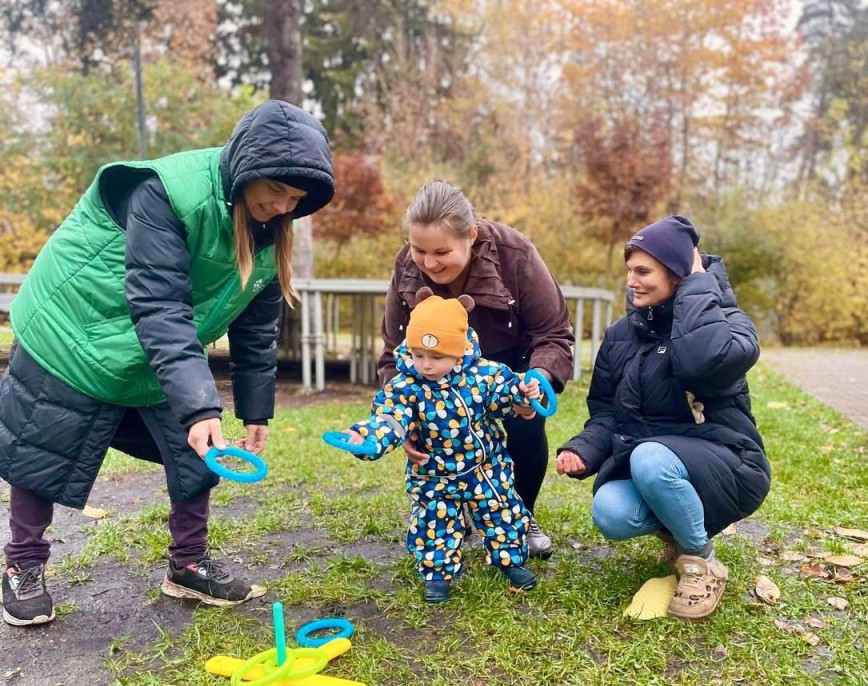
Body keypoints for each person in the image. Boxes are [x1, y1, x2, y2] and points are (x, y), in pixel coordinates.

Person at [0, 100, 335, 626]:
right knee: (44, 446)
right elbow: (161, 305)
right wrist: (201, 405)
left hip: (152, 342)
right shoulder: (168, 191)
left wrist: (254, 412)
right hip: (75, 324)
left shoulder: (271, 235)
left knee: (197, 454)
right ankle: (22, 564)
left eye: (296, 199)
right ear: (246, 171)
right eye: (276, 191)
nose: (284, 207)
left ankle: (188, 564)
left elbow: (254, 327)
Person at [555, 216, 770, 620]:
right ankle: (677, 527)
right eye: (629, 271)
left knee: (650, 458)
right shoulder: (621, 334)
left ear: (676, 273)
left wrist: (697, 283)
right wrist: (582, 449)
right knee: (611, 512)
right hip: (655, 462)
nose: (631, 281)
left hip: (730, 462)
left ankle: (702, 562)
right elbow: (606, 413)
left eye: (643, 271)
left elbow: (701, 361)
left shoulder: (730, 324)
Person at [378, 180, 574, 560]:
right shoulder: (406, 265)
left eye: (441, 251)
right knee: (432, 426)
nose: (429, 263)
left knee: (524, 424)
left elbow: (552, 332)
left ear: (470, 236)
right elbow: (393, 349)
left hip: (510, 362)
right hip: (436, 367)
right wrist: (396, 418)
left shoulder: (515, 254)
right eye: (419, 250)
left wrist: (536, 379)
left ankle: (521, 514)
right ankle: (453, 509)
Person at [341, 290, 542, 603]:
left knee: (502, 512)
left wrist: (523, 394)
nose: (427, 365)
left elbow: (506, 395)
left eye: (437, 357)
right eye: (419, 355)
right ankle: (438, 574)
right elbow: (391, 419)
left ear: (459, 352)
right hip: (434, 471)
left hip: (485, 466)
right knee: (435, 521)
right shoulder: (406, 386)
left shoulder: (484, 375)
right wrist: (367, 438)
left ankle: (511, 561)